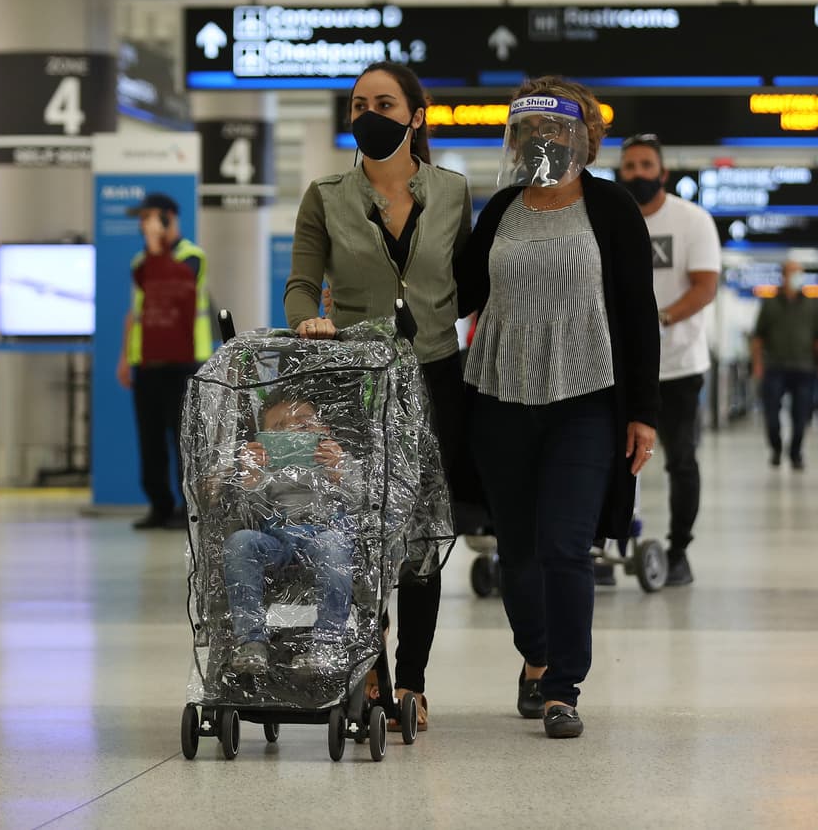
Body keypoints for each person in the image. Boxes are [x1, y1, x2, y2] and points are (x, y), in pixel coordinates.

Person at [456, 77, 659, 739]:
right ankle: (536, 653)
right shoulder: (501, 209)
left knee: (567, 545)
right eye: (528, 129)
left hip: (589, 397)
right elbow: (459, 291)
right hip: (502, 394)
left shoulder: (611, 208)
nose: (540, 139)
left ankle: (562, 685)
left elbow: (638, 312)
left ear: (583, 137)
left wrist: (642, 411)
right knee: (517, 550)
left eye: (554, 128)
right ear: (514, 138)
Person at [284, 61, 473, 732]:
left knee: (419, 535)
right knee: (358, 530)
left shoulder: (451, 192)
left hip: (434, 374)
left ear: (416, 116)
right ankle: (370, 669)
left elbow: (470, 279)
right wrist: (310, 316)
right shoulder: (326, 194)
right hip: (354, 377)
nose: (370, 112)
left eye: (385, 102)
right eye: (360, 102)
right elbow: (302, 281)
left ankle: (414, 681)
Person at [618, 132, 720, 588]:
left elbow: (704, 285)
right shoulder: (612, 219)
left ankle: (679, 550)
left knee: (680, 460)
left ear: (663, 173)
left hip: (678, 366)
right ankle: (610, 544)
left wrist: (659, 320)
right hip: (620, 365)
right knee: (612, 459)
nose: (637, 173)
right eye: (629, 166)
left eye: (645, 166)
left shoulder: (691, 220)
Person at [224, 395, 362, 676]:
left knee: (334, 544)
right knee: (240, 542)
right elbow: (248, 517)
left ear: (323, 430)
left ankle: (328, 642)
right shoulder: (262, 466)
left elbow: (364, 504)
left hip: (326, 533)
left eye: (302, 426)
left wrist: (339, 471)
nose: (289, 432)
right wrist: (252, 478)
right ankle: (250, 641)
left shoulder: (336, 459)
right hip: (276, 539)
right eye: (278, 429)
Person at [117, 193, 210, 530]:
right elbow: (137, 312)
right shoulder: (142, 262)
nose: (143, 225)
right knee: (150, 440)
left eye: (149, 218)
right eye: (142, 219)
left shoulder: (191, 257)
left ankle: (186, 511)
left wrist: (157, 246)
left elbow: (174, 286)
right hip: (148, 364)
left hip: (184, 363)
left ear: (169, 218)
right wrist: (126, 357)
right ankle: (159, 506)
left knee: (182, 440)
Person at [750, 261, 818, 470]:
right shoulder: (770, 304)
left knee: (801, 414)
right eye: (793, 273)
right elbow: (758, 337)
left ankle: (795, 453)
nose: (797, 278)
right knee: (771, 413)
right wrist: (757, 363)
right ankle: (776, 447)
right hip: (775, 366)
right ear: (783, 276)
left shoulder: (811, 305)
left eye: (800, 274)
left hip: (804, 367)